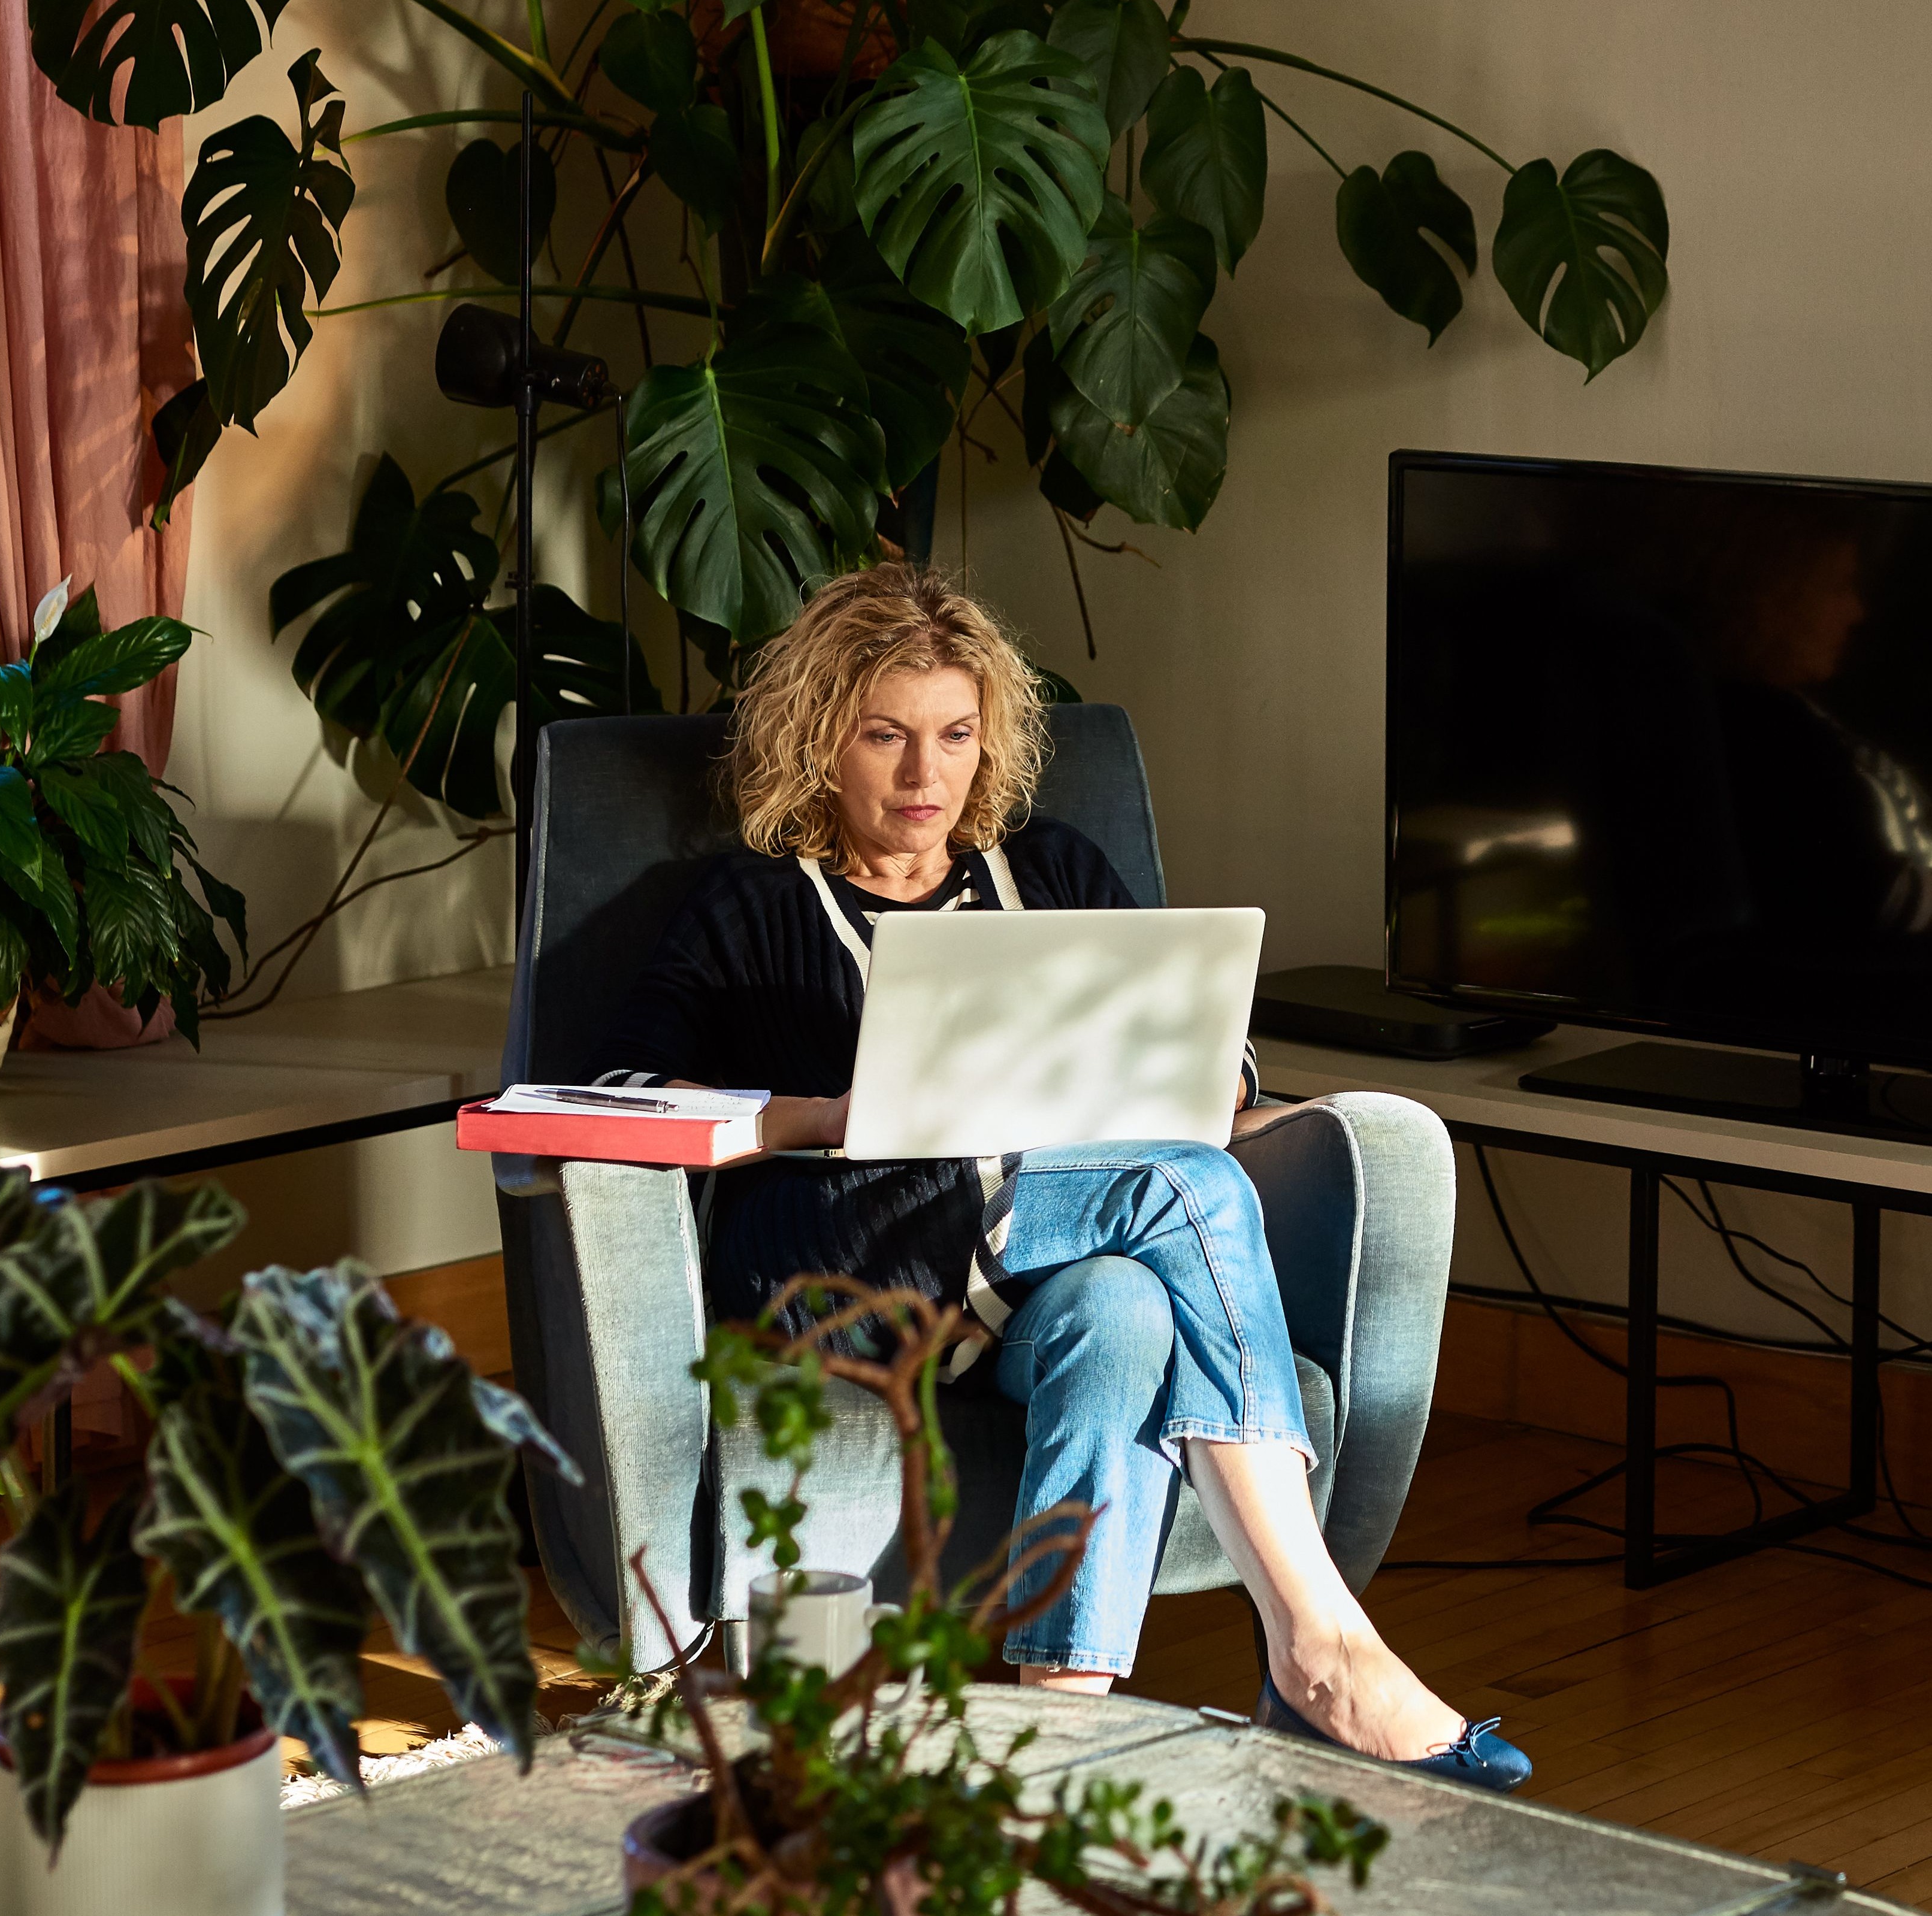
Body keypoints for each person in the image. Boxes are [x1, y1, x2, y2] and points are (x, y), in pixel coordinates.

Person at [591, 562, 1529, 1792]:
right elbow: (613, 1101)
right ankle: (1321, 1639)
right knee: (1184, 1186)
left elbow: (1212, 1071)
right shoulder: (747, 905)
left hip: (1035, 1273)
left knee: (1131, 1307)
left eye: (955, 736)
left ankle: (1059, 1727)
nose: (926, 777)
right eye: (885, 737)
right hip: (837, 1263)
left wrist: (1208, 1088)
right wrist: (818, 1111)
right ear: (822, 738)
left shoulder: (1058, 871)